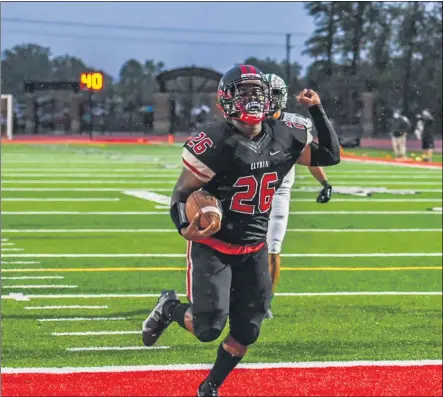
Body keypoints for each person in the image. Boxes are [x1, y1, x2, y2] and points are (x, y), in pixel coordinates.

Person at [141, 64, 340, 397]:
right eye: (243, 93)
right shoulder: (214, 142)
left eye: (256, 93)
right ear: (225, 101)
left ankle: (210, 386)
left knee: (248, 331)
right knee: (207, 329)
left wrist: (317, 110)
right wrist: (183, 226)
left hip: (253, 248)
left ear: (269, 98)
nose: (250, 100)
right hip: (214, 246)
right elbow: (180, 195)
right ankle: (169, 308)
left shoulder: (285, 133)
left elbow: (330, 155)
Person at [264, 73, 333, 319]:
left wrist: (324, 181)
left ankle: (265, 301)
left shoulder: (295, 124)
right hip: (248, 189)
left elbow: (310, 155)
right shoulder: (246, 122)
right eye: (264, 93)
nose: (267, 99)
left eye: (272, 93)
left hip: (279, 190)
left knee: (273, 246)